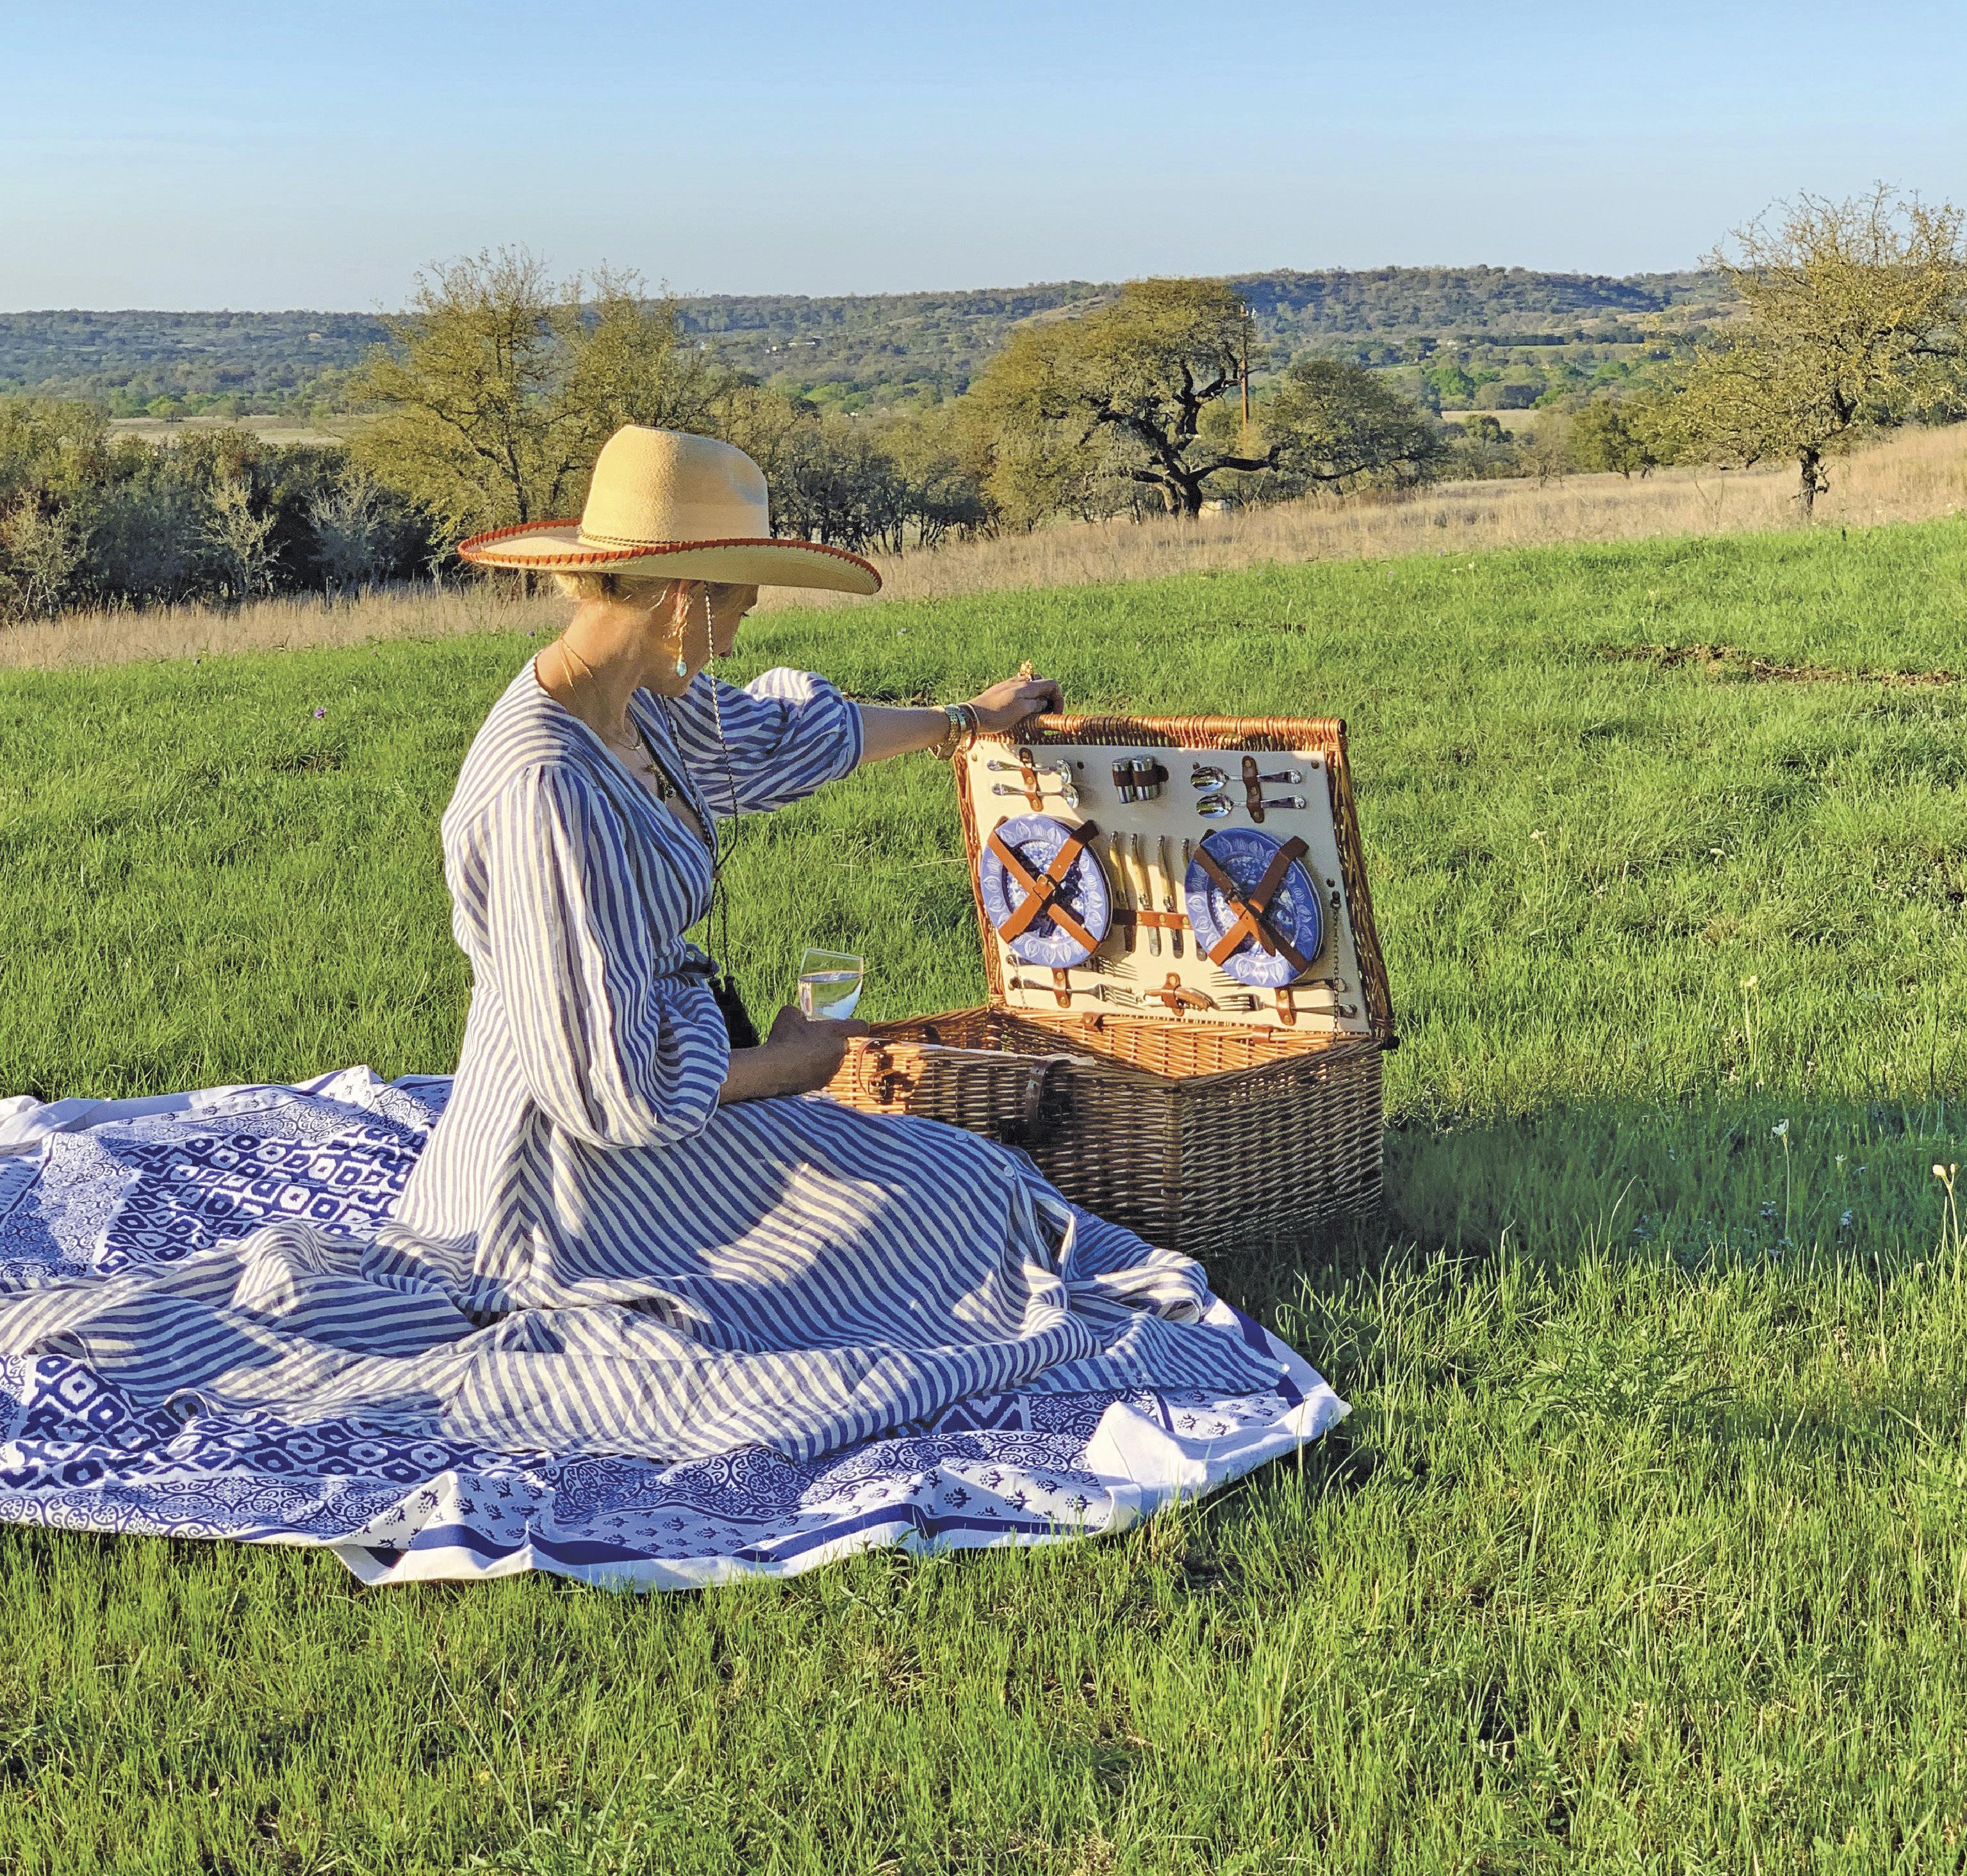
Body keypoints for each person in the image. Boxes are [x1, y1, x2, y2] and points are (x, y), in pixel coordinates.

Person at [0, 427, 1287, 1476]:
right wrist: (780, 1072)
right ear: (681, 599)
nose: (742, 627)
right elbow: (600, 1087)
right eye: (735, 603)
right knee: (942, 1225)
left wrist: (966, 719)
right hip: (564, 1184)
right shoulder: (544, 783)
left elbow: (787, 738)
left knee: (959, 1181)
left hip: (670, 1100)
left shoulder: (647, 707)